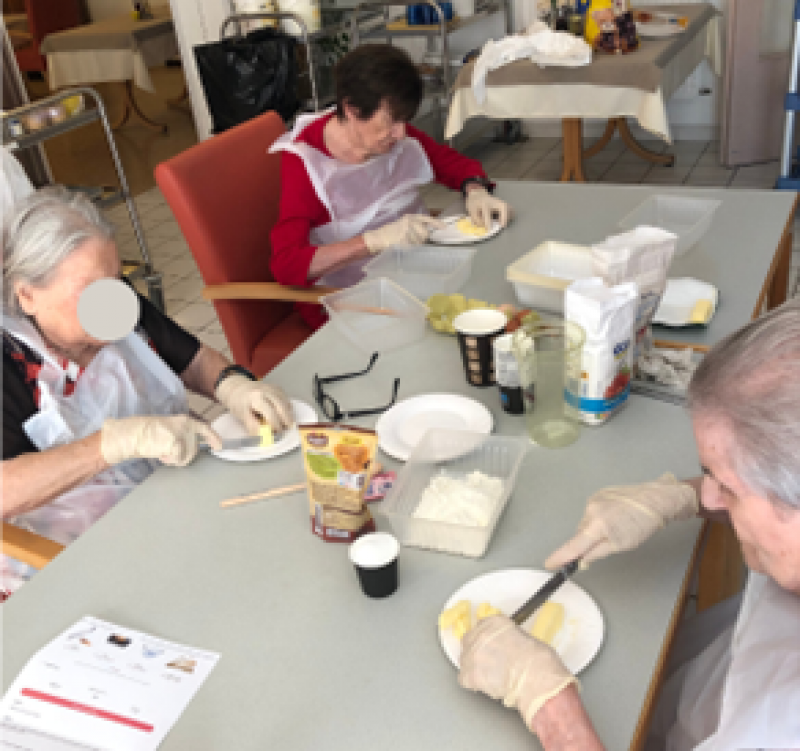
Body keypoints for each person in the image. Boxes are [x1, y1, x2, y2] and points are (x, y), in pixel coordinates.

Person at [458, 299, 800, 749]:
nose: (710, 495)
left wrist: (554, 713)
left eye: (728, 488)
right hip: (724, 685)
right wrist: (674, 498)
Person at [1, 188, 293, 595]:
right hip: (67, 557)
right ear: (27, 294)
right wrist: (114, 443)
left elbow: (191, 358)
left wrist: (234, 386)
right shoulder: (9, 361)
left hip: (165, 505)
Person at [269, 44, 511, 330]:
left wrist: (475, 189)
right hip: (349, 300)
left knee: (496, 292)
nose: (402, 133)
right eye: (392, 122)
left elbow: (451, 163)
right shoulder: (307, 163)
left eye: (405, 120)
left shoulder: (393, 137)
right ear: (352, 109)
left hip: (413, 275)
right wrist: (372, 242)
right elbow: (286, 265)